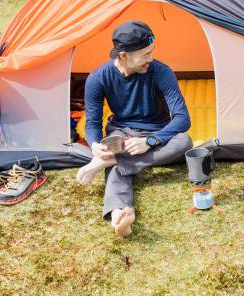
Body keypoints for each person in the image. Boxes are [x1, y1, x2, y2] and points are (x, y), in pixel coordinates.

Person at [76, 20, 192, 238]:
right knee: (113, 153)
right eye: (144, 55)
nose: (150, 59)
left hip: (157, 133)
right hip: (121, 131)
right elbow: (93, 122)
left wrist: (150, 141)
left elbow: (182, 118)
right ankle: (120, 216)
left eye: (151, 52)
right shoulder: (98, 78)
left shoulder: (161, 71)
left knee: (184, 141)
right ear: (123, 56)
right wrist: (94, 145)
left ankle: (113, 161)